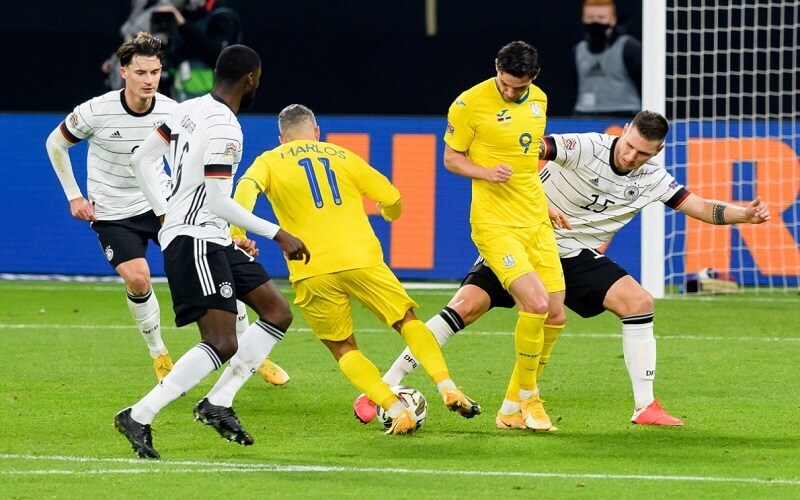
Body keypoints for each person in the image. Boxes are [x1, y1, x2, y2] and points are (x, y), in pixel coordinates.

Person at [355, 110, 771, 428]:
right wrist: (536, 203)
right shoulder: (585, 146)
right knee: (466, 306)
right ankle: (384, 387)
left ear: (657, 151)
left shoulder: (653, 177)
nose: (631, 155)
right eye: (629, 145)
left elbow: (699, 207)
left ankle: (644, 405)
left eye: (643, 152)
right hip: (522, 238)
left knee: (638, 301)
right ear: (624, 130)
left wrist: (743, 215)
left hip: (573, 254)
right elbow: (527, 153)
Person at [229, 104, 481, 436]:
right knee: (407, 321)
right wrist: (389, 213)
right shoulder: (341, 155)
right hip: (363, 258)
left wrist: (238, 234)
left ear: (281, 138)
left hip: (312, 267)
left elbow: (245, 189)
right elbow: (392, 197)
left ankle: (395, 409)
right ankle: (446, 385)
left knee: (343, 347)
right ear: (316, 132)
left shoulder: (269, 160)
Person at [114, 44, 310, 459]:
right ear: (250, 79)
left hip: (212, 236)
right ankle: (139, 415)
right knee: (221, 342)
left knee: (277, 312)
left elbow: (142, 159)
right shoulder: (226, 128)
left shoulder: (187, 109)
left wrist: (164, 210)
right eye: (258, 79)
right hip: (196, 239)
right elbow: (219, 201)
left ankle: (218, 402)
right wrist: (278, 233)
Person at [435, 40, 566, 431]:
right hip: (494, 224)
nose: (509, 92)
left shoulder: (539, 100)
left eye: (518, 86)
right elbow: (451, 158)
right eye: (505, 83)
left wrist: (546, 207)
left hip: (535, 220)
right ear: (496, 66)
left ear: (534, 78)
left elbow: (526, 168)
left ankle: (510, 409)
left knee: (555, 313)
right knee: (536, 303)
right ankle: (530, 397)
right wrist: (485, 172)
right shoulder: (468, 104)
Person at [46, 32, 177, 382]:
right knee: (138, 279)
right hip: (113, 211)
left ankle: (248, 353)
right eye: (141, 72)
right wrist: (74, 196)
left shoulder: (172, 111)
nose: (149, 80)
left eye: (155, 72)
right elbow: (55, 144)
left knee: (206, 264)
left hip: (160, 204)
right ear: (123, 72)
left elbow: (182, 156)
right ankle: (159, 353)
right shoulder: (96, 110)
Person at [573, 0, 641, 117]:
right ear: (583, 19)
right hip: (585, 115)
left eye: (601, 17)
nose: (595, 22)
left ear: (613, 20)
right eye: (590, 17)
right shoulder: (578, 50)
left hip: (624, 114)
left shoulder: (629, 47)